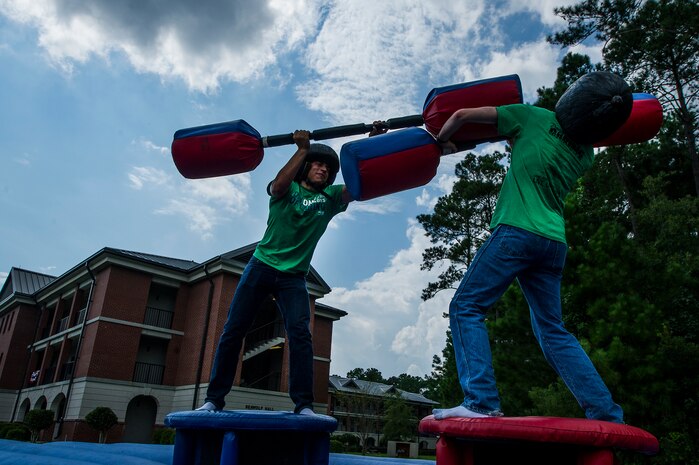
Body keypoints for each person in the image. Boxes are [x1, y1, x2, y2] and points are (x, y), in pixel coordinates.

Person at [431, 102, 625, 424]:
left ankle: (480, 401)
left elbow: (461, 116)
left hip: (517, 232)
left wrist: (441, 142)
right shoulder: (585, 154)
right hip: (553, 243)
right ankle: (605, 413)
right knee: (553, 331)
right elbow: (536, 150)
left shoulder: (533, 115)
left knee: (465, 307)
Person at [197, 124, 386, 415]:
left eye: (327, 167)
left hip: (294, 276)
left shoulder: (331, 199)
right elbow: (278, 185)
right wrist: (302, 149)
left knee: (300, 336)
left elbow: (361, 183)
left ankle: (304, 405)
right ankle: (213, 400)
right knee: (234, 330)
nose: (323, 170)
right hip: (260, 266)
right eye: (317, 165)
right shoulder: (287, 190)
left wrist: (374, 144)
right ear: (306, 168)